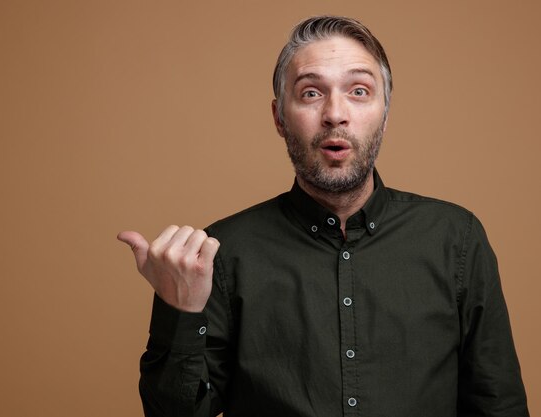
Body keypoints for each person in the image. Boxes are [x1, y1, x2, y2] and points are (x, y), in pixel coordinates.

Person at [118, 16, 529, 417]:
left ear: (385, 114)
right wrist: (180, 313)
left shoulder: (457, 239)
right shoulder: (221, 255)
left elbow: (499, 404)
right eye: (312, 93)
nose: (335, 113)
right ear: (279, 117)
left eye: (359, 91)